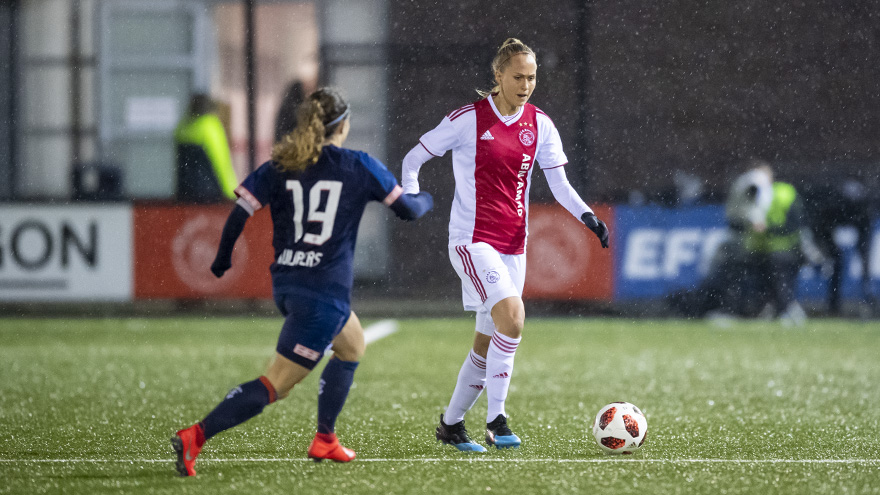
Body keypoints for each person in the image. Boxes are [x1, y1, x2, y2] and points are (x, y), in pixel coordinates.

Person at [170, 88, 433, 476]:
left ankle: (325, 439)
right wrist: (426, 196)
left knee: (352, 344)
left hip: (290, 284)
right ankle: (196, 436)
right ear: (342, 125)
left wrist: (223, 258)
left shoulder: (282, 163)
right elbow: (409, 211)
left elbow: (240, 212)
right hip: (324, 294)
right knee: (276, 384)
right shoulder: (358, 165)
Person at [401, 38, 609, 452]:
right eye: (518, 76)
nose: (526, 84)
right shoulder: (467, 120)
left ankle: (451, 424)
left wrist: (588, 216)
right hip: (472, 241)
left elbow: (559, 184)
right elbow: (413, 158)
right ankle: (496, 419)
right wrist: (410, 193)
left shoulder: (541, 124)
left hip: (514, 247)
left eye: (532, 77)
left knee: (487, 340)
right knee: (513, 319)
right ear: (498, 75)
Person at [174, 94, 237, 203]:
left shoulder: (183, 127)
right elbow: (221, 163)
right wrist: (232, 194)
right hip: (209, 194)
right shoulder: (209, 126)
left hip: (185, 194)